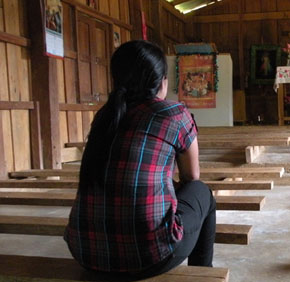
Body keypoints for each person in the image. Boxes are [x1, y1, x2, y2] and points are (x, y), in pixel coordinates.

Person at [64, 40, 216, 279]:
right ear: (162, 81)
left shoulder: (105, 117)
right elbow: (191, 177)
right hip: (149, 256)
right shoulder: (174, 114)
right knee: (202, 193)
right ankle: (202, 274)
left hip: (85, 251)